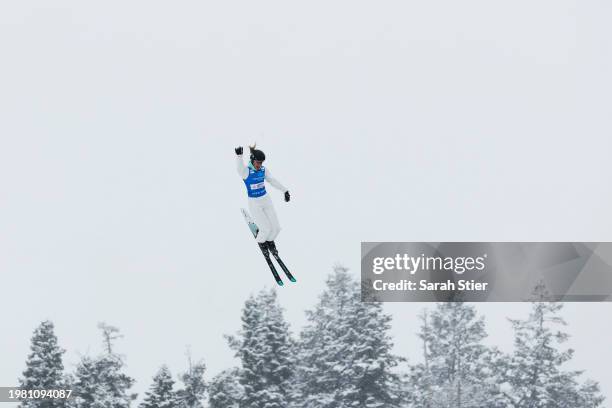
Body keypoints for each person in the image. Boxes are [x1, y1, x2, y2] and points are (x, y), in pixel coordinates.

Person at [235, 144, 290, 256]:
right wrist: (239, 156)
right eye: (258, 162)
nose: (260, 165)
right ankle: (261, 242)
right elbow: (239, 168)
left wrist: (285, 190)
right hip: (254, 202)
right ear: (253, 160)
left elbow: (272, 180)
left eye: (261, 163)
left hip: (266, 200)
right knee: (265, 229)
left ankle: (269, 242)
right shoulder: (246, 172)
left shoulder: (263, 170)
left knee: (276, 228)